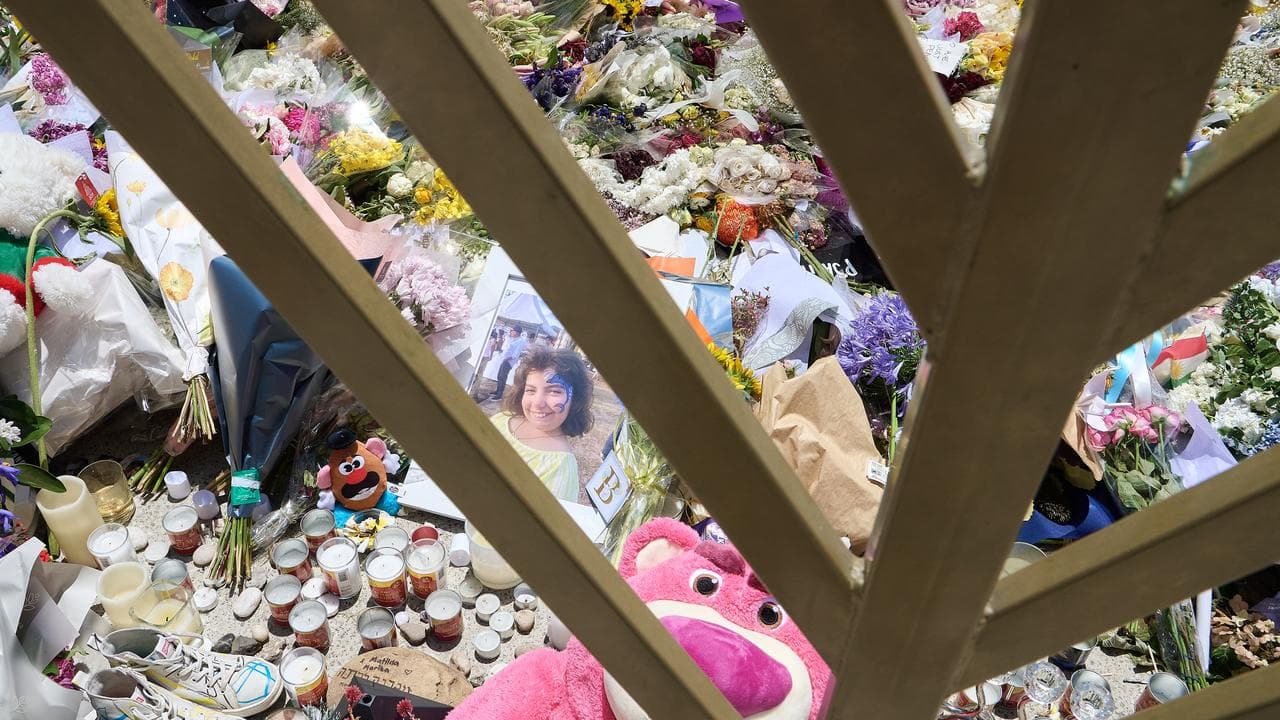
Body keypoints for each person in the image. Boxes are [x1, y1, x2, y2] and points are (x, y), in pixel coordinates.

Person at [490, 348, 593, 502]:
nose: (538, 403)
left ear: (575, 399)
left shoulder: (560, 467)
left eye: (554, 391)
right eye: (530, 390)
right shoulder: (501, 420)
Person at [489, 326, 528, 400]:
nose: (511, 332)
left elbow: (515, 354)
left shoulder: (520, 341)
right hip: (505, 360)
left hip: (508, 362)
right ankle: (497, 391)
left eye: (512, 331)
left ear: (516, 332)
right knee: (499, 376)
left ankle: (499, 395)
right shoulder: (513, 339)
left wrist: (506, 359)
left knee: (503, 377)